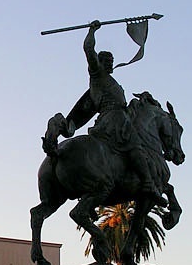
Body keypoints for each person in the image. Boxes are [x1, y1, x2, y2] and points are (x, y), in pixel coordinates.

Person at [64, 20, 163, 203]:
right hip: (113, 119)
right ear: (100, 62)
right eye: (107, 61)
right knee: (135, 145)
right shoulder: (97, 74)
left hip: (119, 116)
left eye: (112, 61)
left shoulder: (112, 81)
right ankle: (148, 182)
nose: (110, 64)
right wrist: (92, 31)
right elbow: (88, 49)